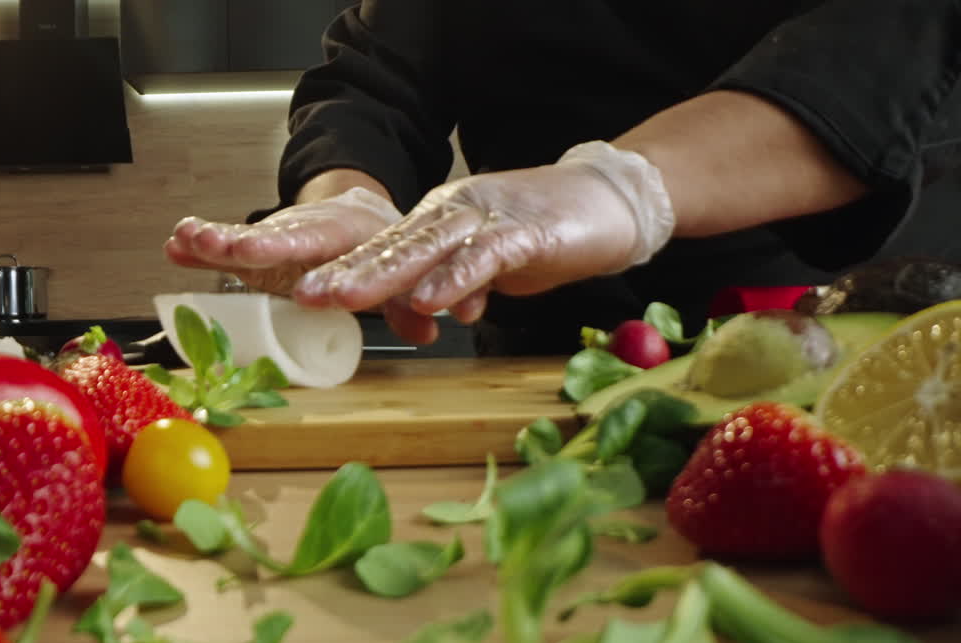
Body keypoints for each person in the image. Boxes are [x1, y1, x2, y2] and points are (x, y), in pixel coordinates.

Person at [164, 1, 961, 355]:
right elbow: (375, 77)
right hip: (546, 358)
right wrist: (347, 200)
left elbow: (897, 39)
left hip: (852, 340)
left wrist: (620, 189)